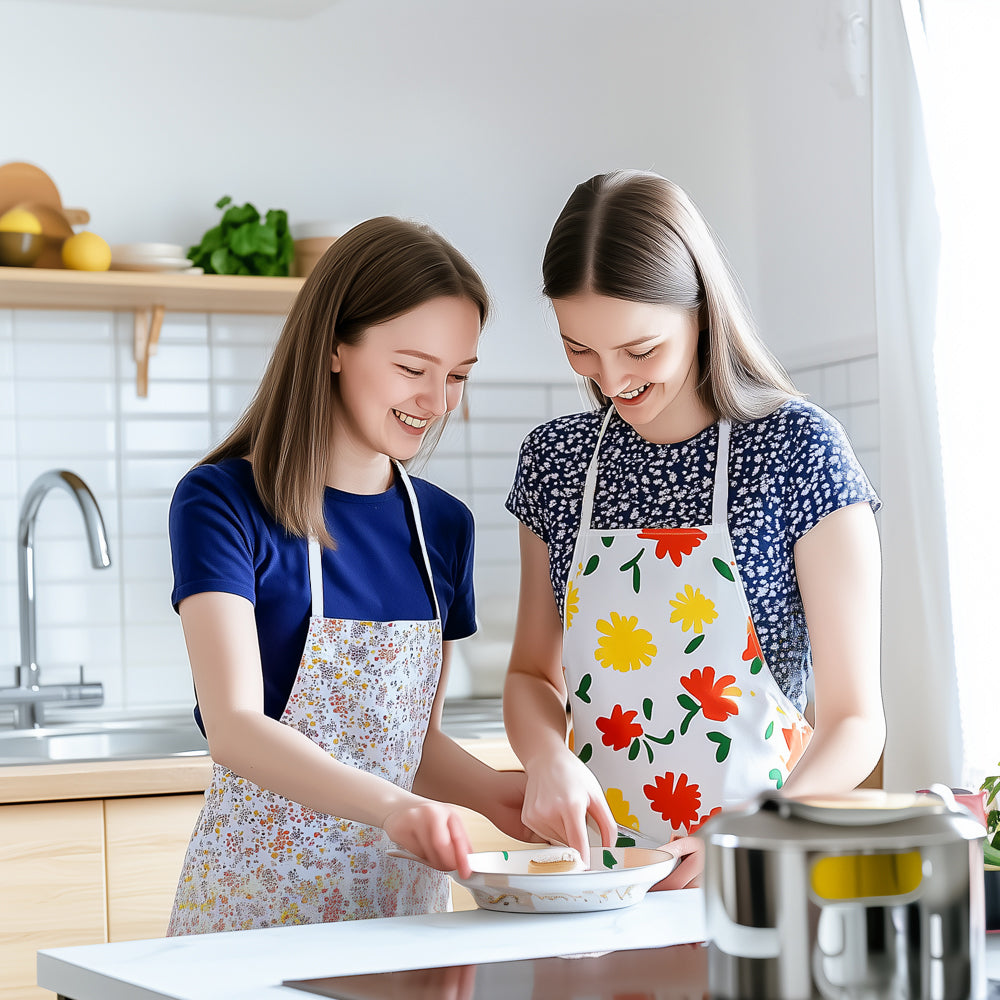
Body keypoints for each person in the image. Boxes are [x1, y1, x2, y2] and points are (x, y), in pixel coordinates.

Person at [503, 170, 885, 888]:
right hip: (604, 875)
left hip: (764, 861)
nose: (611, 380)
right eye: (579, 347)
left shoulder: (798, 452)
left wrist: (754, 831)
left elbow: (856, 722)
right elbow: (530, 674)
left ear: (702, 311)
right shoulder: (557, 461)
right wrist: (547, 758)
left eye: (639, 350)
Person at [167, 217, 535, 934]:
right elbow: (235, 728)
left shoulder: (443, 529)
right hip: (253, 922)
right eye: (412, 368)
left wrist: (493, 794)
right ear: (336, 345)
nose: (436, 402)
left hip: (400, 921)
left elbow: (408, 745)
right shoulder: (222, 501)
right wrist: (395, 807)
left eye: (458, 376)